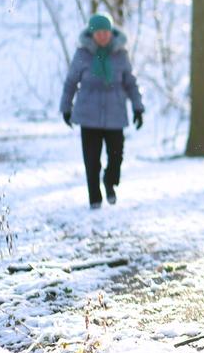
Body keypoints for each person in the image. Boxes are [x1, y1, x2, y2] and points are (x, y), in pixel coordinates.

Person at [59, 13, 145, 209]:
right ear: (92, 33)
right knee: (91, 161)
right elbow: (71, 82)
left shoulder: (120, 54)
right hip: (88, 115)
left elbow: (131, 83)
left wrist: (138, 107)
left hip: (115, 115)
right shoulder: (82, 55)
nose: (103, 36)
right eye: (99, 32)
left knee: (116, 157)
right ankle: (95, 200)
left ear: (111, 32)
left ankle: (109, 181)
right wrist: (66, 107)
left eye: (106, 31)